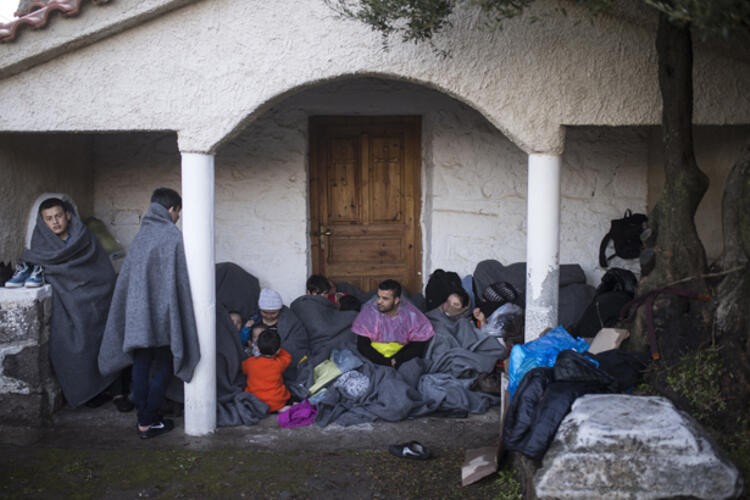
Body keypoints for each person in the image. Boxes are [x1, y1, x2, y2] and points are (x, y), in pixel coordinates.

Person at [98, 187, 201, 439]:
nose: (178, 217)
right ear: (171, 209)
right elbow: (182, 280)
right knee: (165, 365)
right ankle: (147, 421)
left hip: (138, 317)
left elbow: (128, 280)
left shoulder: (141, 236)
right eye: (178, 212)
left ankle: (143, 416)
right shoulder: (173, 236)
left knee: (141, 365)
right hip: (165, 317)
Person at [18, 197, 130, 410]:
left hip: (99, 300)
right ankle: (89, 392)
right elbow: (39, 268)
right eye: (49, 218)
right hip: (70, 306)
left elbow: (103, 271)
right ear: (43, 222)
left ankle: (118, 393)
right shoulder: (41, 247)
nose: (55, 222)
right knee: (75, 347)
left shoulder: (84, 239)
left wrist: (95, 289)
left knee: (110, 340)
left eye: (58, 216)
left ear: (67, 215)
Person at [351, 279, 435, 369]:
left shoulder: (411, 315)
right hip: (374, 357)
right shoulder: (369, 313)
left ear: (396, 300)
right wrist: (385, 362)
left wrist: (397, 360)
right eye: (378, 297)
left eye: (385, 299)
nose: (379, 302)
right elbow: (363, 345)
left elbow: (417, 346)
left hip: (401, 357)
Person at [241, 327, 293, 413]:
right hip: (276, 402)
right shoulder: (279, 363)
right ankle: (281, 408)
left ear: (258, 347)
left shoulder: (250, 363)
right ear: (278, 350)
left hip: (256, 402)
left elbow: (243, 369)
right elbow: (288, 356)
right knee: (287, 392)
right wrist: (279, 349)